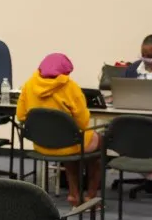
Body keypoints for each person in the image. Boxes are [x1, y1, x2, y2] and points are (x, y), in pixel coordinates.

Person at [16, 53, 101, 206]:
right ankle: (91, 197)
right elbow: (83, 122)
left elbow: (21, 116)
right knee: (99, 142)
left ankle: (73, 194)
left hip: (41, 145)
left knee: (68, 143)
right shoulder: (71, 87)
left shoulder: (29, 85)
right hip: (68, 145)